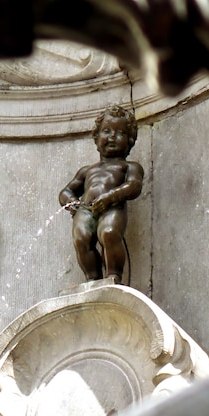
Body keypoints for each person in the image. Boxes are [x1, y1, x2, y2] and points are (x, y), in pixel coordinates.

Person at [59, 105, 144, 283]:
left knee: (109, 232)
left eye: (120, 133)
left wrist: (111, 197)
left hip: (113, 206)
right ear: (96, 138)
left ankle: (113, 275)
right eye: (106, 131)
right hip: (86, 209)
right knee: (81, 238)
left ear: (129, 141)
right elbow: (66, 191)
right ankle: (92, 279)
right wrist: (72, 202)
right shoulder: (87, 171)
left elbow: (134, 186)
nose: (112, 136)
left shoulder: (129, 167)